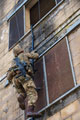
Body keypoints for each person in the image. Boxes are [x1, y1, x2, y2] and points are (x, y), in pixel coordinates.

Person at [7, 45, 40, 117]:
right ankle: (30, 111)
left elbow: (9, 75)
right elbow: (36, 56)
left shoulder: (13, 61)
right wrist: (33, 53)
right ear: (21, 50)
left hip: (15, 80)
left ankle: (21, 96)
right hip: (24, 77)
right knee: (32, 93)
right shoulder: (25, 55)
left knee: (23, 92)